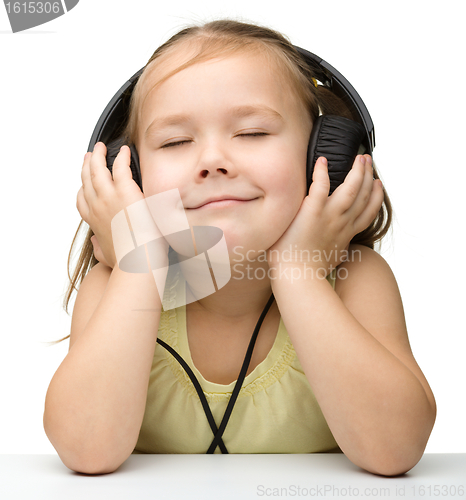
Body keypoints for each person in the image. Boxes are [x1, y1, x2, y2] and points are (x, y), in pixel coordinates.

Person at [43, 19, 436, 477]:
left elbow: (395, 450)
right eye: (175, 141)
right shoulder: (115, 285)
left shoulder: (355, 280)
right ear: (128, 176)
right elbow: (87, 451)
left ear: (322, 157)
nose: (212, 161)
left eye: (252, 133)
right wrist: (142, 264)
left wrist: (297, 271)